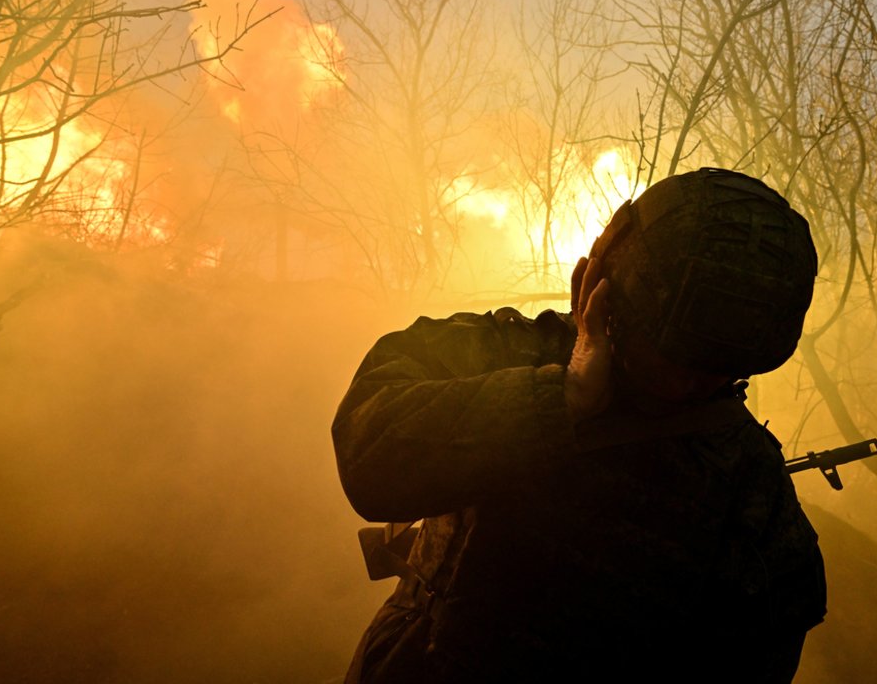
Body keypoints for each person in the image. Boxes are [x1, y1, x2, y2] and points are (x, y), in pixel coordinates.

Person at [331, 167, 826, 682]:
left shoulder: (750, 479)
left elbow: (761, 648)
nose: (684, 388)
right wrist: (558, 399)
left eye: (711, 369)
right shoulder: (503, 352)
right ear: (595, 287)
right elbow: (369, 457)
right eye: (668, 357)